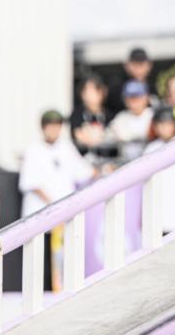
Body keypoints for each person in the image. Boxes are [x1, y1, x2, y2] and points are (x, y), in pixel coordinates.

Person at [19, 109, 97, 291]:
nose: (54, 130)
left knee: (62, 263)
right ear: (43, 128)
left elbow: (85, 171)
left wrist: (101, 170)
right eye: (50, 126)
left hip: (62, 218)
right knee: (39, 262)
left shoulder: (66, 148)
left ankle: (59, 294)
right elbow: (30, 183)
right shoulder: (34, 150)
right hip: (40, 217)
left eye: (57, 126)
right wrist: (52, 203)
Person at [143, 108, 175, 235]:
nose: (164, 128)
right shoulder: (151, 148)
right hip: (157, 213)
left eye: (168, 123)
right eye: (161, 124)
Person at [70, 74, 115, 161]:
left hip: (106, 160)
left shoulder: (108, 115)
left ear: (102, 92)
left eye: (92, 91)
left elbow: (112, 136)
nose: (88, 95)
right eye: (85, 91)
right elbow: (79, 136)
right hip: (83, 161)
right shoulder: (77, 114)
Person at [108, 79, 153, 161]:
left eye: (137, 97)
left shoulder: (153, 114)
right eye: (129, 98)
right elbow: (109, 136)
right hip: (127, 163)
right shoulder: (121, 117)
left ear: (146, 97)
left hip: (151, 162)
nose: (133, 101)